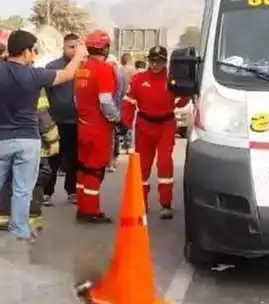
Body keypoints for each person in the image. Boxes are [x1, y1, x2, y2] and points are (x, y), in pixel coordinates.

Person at [0, 30, 84, 241]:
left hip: (1, 140)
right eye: (34, 50)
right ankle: (20, 232)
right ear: (26, 52)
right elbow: (68, 74)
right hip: (28, 141)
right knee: (23, 189)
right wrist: (79, 55)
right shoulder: (35, 75)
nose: (35, 54)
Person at [121, 46, 188, 219]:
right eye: (152, 60)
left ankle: (166, 203)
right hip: (144, 126)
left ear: (165, 62)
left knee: (165, 163)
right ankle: (140, 202)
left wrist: (186, 90)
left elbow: (180, 102)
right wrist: (125, 123)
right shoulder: (138, 79)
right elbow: (128, 101)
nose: (155, 64)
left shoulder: (172, 80)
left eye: (159, 61)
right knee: (143, 166)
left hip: (166, 125)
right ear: (148, 60)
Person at [0, 89, 59, 233]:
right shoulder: (33, 83)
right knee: (37, 179)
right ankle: (31, 219)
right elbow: (42, 116)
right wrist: (53, 139)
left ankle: (2, 218)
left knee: (8, 178)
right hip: (30, 143)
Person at [73, 29, 121, 224]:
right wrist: (117, 119)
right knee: (94, 170)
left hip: (83, 125)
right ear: (106, 48)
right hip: (98, 128)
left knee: (83, 168)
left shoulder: (81, 69)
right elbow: (106, 101)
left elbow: (76, 100)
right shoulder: (105, 69)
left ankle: (82, 206)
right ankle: (91, 211)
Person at [43, 33, 80, 205]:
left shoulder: (84, 67)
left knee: (73, 159)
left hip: (76, 122)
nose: (73, 50)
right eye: (70, 47)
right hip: (55, 122)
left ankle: (72, 191)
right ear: (63, 47)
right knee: (53, 159)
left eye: (76, 47)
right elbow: (45, 94)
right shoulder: (52, 67)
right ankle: (46, 192)